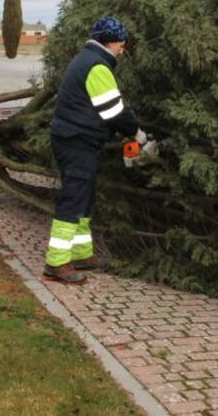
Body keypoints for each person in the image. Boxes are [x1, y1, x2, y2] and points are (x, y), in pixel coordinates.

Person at [42, 16, 147, 284]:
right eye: (121, 45)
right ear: (110, 42)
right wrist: (136, 132)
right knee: (74, 197)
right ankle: (56, 262)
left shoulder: (87, 59)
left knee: (84, 197)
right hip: (76, 140)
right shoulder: (97, 67)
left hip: (77, 139)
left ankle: (81, 254)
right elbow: (114, 112)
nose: (123, 50)